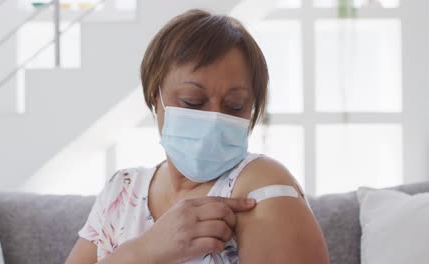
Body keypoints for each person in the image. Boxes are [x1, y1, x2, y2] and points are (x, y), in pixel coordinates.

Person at [66, 9, 329, 264]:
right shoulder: (121, 190)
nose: (214, 119)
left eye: (235, 106)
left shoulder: (261, 186)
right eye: (192, 102)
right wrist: (142, 252)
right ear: (154, 95)